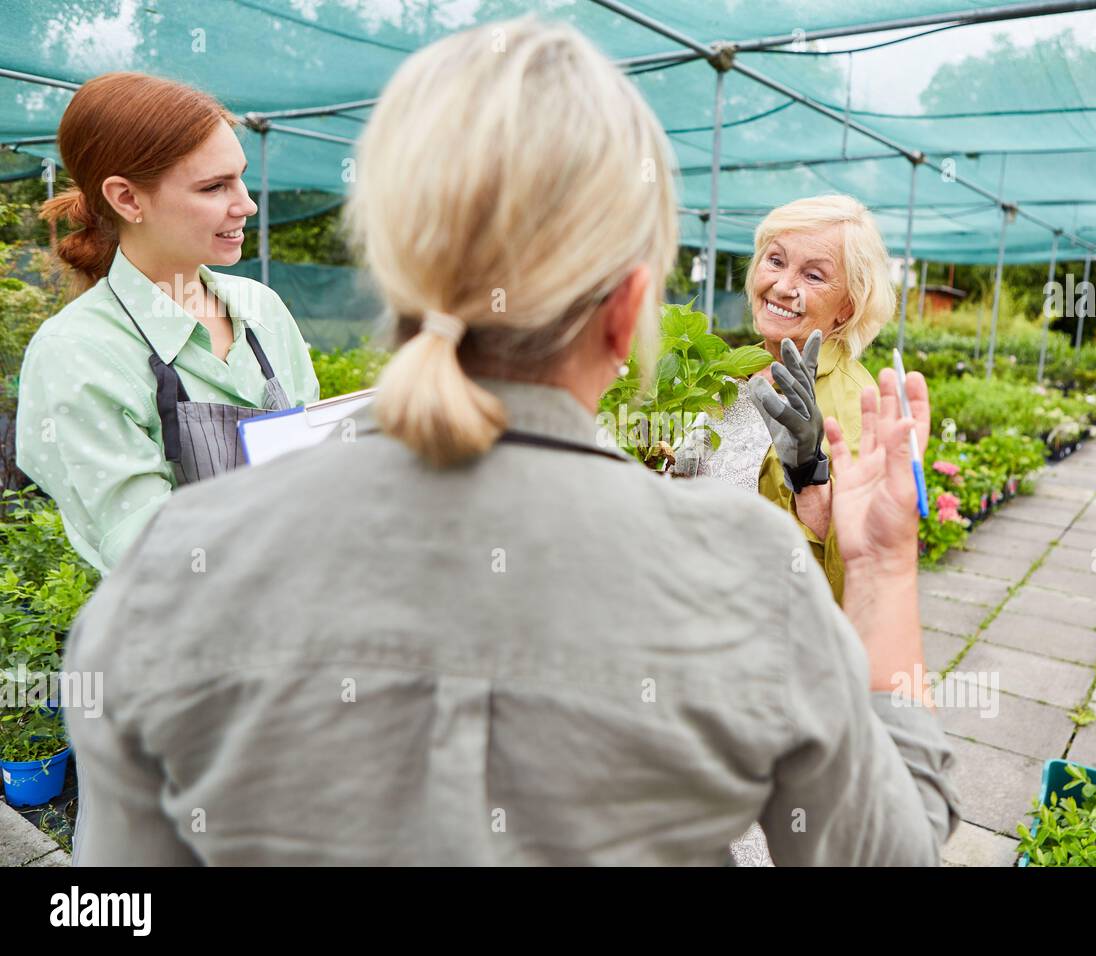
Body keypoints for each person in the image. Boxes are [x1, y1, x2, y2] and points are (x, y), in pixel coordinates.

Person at [62, 16, 957, 865]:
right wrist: (881, 571)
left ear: (395, 269)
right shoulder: (750, 577)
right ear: (631, 311)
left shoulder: (170, 575)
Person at [15, 72, 319, 573]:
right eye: (214, 186)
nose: (247, 204)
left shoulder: (262, 310)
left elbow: (314, 471)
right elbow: (156, 557)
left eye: (240, 177)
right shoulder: (77, 352)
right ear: (128, 199)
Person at [747, 196, 897, 607]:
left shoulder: (861, 405)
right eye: (775, 261)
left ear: (846, 308)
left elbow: (863, 575)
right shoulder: (733, 370)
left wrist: (809, 473)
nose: (782, 286)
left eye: (813, 276)